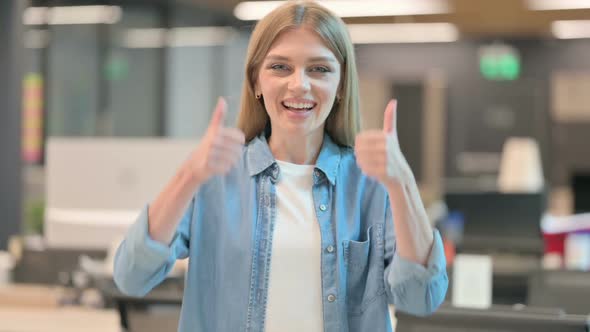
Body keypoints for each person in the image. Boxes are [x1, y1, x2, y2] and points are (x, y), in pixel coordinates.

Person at [113, 1, 448, 331]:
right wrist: (188, 176)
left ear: (342, 84)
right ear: (256, 82)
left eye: (319, 69)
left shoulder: (372, 183)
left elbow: (421, 298)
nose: (299, 84)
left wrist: (402, 183)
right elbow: (133, 276)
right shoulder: (214, 177)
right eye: (280, 67)